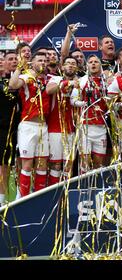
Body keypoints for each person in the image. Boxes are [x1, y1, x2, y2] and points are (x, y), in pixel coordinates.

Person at [9, 52, 50, 197]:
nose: (43, 63)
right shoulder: (27, 77)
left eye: (45, 61)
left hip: (43, 127)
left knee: (42, 165)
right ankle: (23, 199)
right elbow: (12, 85)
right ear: (32, 63)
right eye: (40, 60)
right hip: (28, 126)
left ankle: (39, 198)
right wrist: (20, 68)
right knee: (26, 165)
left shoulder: (48, 80)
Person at [71, 55, 108, 172]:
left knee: (99, 164)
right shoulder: (82, 81)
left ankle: (96, 189)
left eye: (96, 62)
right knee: (84, 164)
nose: (93, 64)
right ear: (87, 65)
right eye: (90, 62)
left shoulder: (106, 81)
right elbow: (73, 100)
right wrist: (84, 104)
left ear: (100, 65)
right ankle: (83, 189)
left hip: (101, 127)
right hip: (85, 128)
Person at [45, 57, 78, 184]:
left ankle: (66, 197)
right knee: (55, 165)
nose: (70, 66)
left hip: (72, 130)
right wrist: (68, 83)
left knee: (68, 166)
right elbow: (49, 90)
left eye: (73, 64)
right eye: (68, 63)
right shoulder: (56, 79)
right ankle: (54, 195)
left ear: (77, 67)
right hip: (55, 130)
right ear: (62, 67)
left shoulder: (81, 82)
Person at [0, 51, 20, 204]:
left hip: (22, 128)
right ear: (4, 62)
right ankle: (2, 200)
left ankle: (23, 195)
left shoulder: (22, 80)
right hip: (3, 129)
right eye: (10, 59)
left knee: (22, 163)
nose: (14, 61)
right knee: (4, 165)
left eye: (15, 59)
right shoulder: (3, 83)